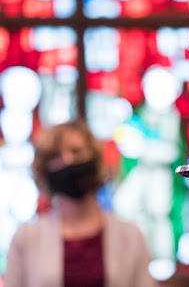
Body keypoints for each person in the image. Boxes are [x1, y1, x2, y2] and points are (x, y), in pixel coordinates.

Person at [4, 120, 156, 287]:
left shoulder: (130, 235)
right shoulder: (26, 237)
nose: (68, 161)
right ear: (45, 168)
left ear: (95, 159)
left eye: (76, 152)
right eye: (56, 156)